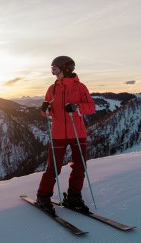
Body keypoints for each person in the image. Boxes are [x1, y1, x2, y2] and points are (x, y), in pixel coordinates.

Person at [36, 56, 95, 214]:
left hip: (78, 133)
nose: (54, 73)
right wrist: (45, 109)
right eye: (52, 70)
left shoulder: (80, 87)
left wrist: (77, 107)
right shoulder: (52, 89)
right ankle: (43, 197)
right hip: (58, 134)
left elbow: (91, 107)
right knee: (53, 168)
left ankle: (74, 197)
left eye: (56, 69)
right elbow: (46, 112)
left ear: (66, 69)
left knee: (80, 167)